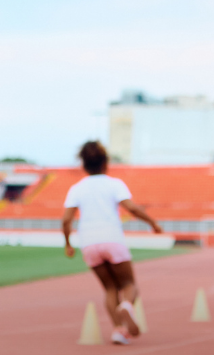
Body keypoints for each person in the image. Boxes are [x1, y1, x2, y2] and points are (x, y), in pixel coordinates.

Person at [62, 140, 162, 344]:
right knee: (128, 284)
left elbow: (66, 219)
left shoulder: (77, 188)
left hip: (88, 242)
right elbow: (132, 209)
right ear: (105, 162)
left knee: (109, 288)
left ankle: (119, 330)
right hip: (112, 239)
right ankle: (127, 305)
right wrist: (153, 223)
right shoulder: (114, 184)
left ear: (83, 164)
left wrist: (68, 244)